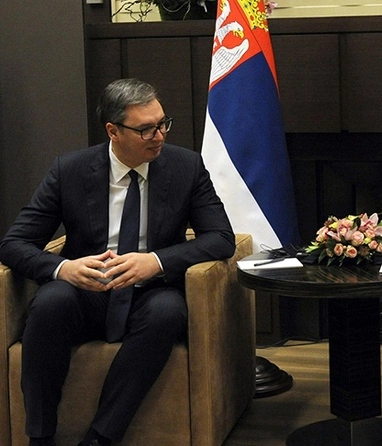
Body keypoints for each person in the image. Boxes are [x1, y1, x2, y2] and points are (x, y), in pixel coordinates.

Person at [0, 78, 236, 446]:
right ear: (113, 131)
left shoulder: (186, 167)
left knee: (167, 312)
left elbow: (221, 237)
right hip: (87, 292)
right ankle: (40, 437)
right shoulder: (70, 170)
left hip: (151, 290)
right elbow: (13, 243)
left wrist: (156, 261)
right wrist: (64, 269)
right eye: (146, 129)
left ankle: (101, 437)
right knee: (50, 302)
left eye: (163, 123)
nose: (159, 135)